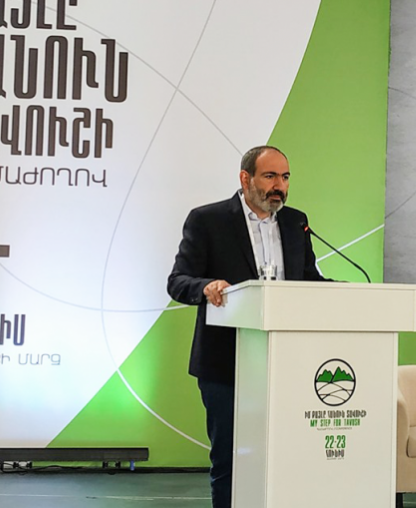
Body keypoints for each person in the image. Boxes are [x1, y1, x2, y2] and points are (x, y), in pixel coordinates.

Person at [167, 145, 327, 508]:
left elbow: (308, 280)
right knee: (230, 460)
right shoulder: (208, 220)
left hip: (286, 364)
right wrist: (206, 287)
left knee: (286, 456)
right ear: (245, 178)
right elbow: (178, 281)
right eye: (270, 176)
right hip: (226, 363)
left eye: (285, 177)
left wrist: (345, 293)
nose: (279, 186)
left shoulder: (295, 222)